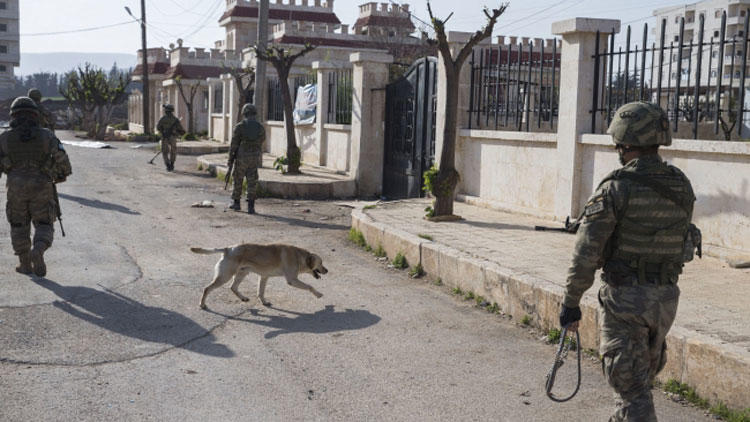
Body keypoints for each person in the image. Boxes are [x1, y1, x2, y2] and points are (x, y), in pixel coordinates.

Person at [559, 102, 696, 421]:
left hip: (626, 301)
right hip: (664, 300)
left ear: (624, 141)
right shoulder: (680, 184)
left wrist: (571, 301)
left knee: (632, 391)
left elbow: (586, 253)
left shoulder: (617, 187)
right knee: (639, 384)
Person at [0, 97, 72, 277]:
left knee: (18, 225)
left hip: (15, 187)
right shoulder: (47, 135)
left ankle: (25, 264)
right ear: (35, 115)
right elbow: (63, 159)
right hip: (42, 185)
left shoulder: (4, 138)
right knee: (44, 223)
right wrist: (61, 175)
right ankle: (38, 249)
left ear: (13, 116)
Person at [228, 103, 265, 214]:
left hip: (242, 157)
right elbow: (261, 140)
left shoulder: (240, 126)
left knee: (238, 179)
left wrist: (230, 159)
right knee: (252, 181)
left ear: (244, 113)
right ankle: (251, 206)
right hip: (254, 157)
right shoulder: (260, 127)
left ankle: (236, 203)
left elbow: (234, 144)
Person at [156, 104, 185, 171]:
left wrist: (163, 132)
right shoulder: (175, 119)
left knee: (165, 151)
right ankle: (171, 164)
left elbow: (158, 127)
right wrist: (178, 132)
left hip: (165, 137)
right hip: (172, 136)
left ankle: (168, 164)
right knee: (173, 151)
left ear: (166, 111)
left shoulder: (163, 118)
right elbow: (181, 130)